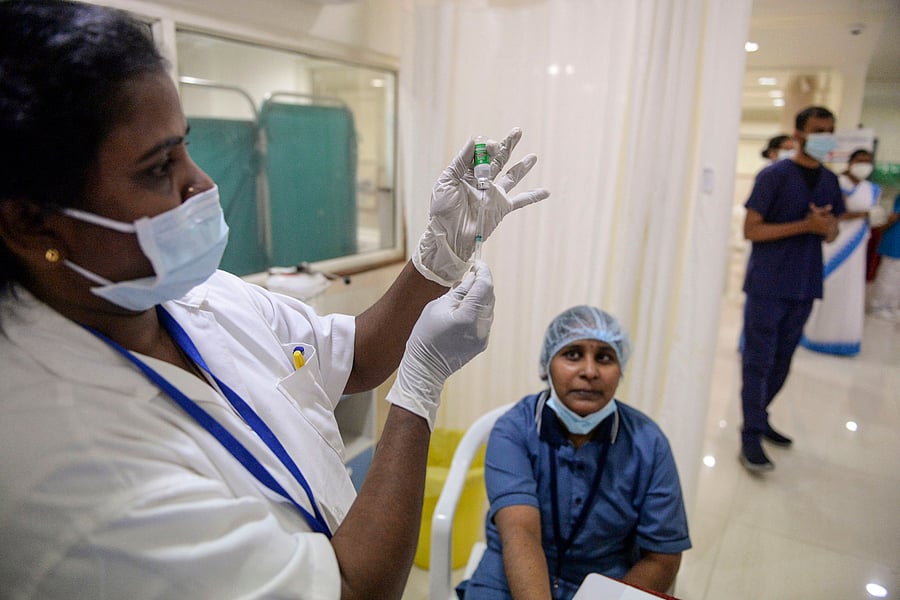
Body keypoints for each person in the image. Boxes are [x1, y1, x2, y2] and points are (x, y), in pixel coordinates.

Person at [0, 2, 550, 598]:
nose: (202, 182)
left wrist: (437, 260)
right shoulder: (73, 475)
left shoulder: (187, 295)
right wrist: (419, 386)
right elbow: (351, 590)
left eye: (184, 146)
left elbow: (356, 357)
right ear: (34, 223)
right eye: (160, 167)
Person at [458, 306, 691, 599]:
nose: (590, 371)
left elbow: (663, 557)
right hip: (510, 573)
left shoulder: (649, 444)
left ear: (620, 371)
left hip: (607, 581)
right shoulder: (514, 430)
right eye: (573, 355)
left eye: (604, 358)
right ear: (547, 365)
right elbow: (520, 533)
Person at [739, 105, 844, 473]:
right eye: (818, 130)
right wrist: (805, 225)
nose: (825, 137)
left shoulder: (830, 181)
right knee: (758, 361)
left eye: (830, 130)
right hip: (769, 284)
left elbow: (832, 231)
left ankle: (761, 417)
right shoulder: (774, 176)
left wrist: (825, 227)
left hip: (805, 285)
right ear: (799, 134)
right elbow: (752, 230)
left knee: (783, 361)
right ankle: (750, 435)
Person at [799, 149, 882, 355]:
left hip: (857, 245)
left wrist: (873, 216)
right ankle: (814, 333)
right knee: (829, 285)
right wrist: (865, 213)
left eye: (868, 161)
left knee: (850, 289)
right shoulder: (836, 182)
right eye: (860, 160)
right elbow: (838, 212)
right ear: (851, 162)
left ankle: (842, 339)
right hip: (836, 241)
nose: (864, 165)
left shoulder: (871, 189)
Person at [868, 192, 900, 319]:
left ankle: (891, 306)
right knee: (888, 275)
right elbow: (893, 217)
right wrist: (881, 229)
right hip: (894, 241)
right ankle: (878, 305)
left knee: (897, 278)